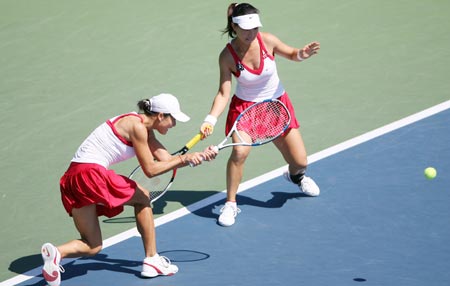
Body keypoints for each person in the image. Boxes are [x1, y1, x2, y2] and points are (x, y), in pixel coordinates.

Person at [41, 93, 218, 286]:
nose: (173, 125)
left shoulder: (142, 128)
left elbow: (167, 161)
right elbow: (151, 170)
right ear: (160, 116)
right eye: (172, 119)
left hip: (74, 179)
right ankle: (151, 259)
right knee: (142, 197)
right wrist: (185, 158)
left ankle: (56, 253)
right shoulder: (137, 127)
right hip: (91, 173)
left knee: (93, 246)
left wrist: (200, 155)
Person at [200, 3, 321, 227]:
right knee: (239, 152)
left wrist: (302, 55)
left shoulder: (268, 41)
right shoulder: (227, 56)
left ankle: (296, 177)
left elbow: (293, 54)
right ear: (234, 27)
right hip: (246, 112)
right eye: (246, 28)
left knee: (300, 161)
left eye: (254, 28)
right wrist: (211, 119)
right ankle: (230, 203)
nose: (251, 33)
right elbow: (223, 93)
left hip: (277, 107)